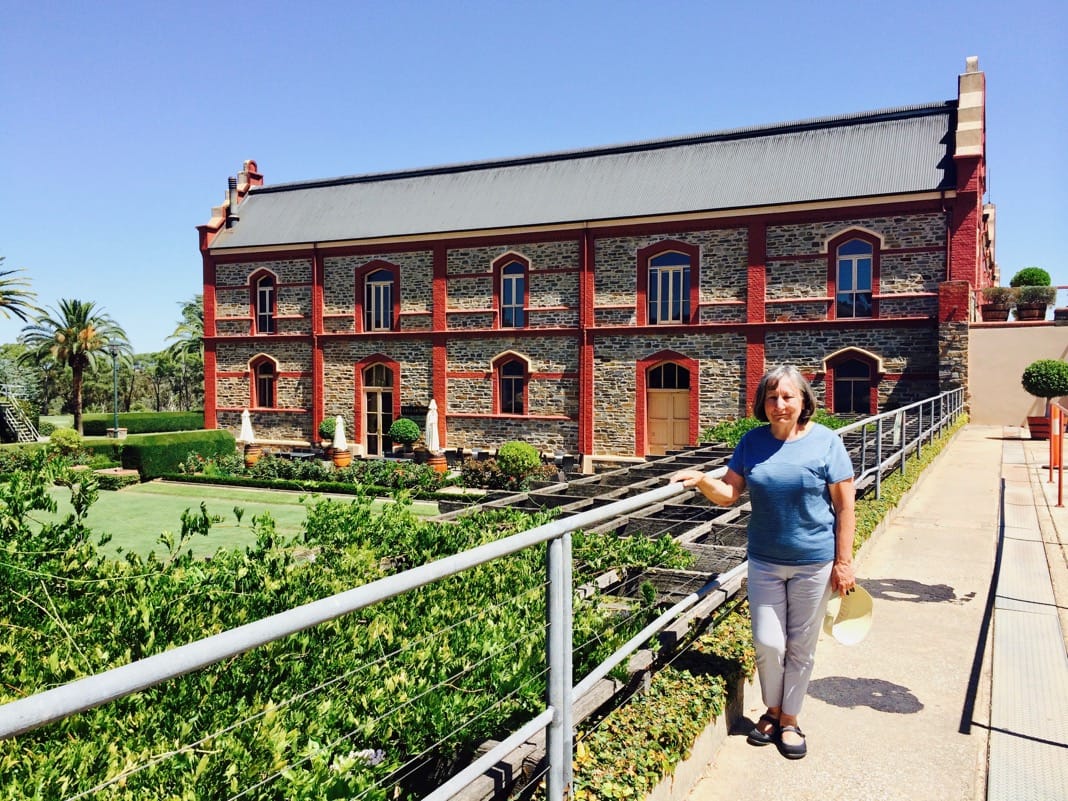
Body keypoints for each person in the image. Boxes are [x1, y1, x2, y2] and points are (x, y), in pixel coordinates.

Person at [671, 365, 856, 759]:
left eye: (788, 396)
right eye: (772, 397)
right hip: (765, 562)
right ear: (762, 403)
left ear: (804, 400)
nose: (779, 404)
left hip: (814, 562)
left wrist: (844, 562)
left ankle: (787, 719)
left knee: (800, 646)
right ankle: (771, 710)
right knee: (768, 642)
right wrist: (703, 480)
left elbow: (845, 507)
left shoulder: (826, 443)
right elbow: (729, 494)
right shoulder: (751, 442)